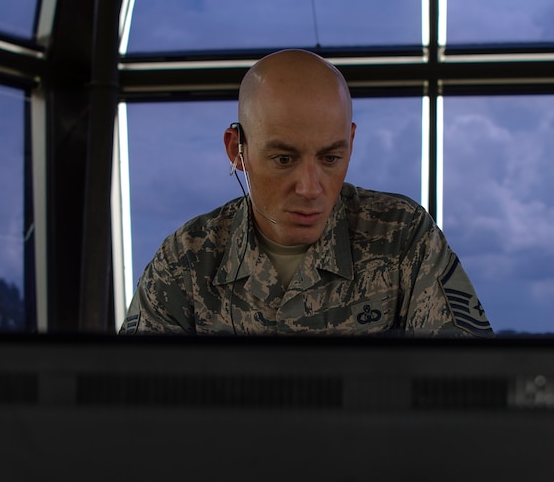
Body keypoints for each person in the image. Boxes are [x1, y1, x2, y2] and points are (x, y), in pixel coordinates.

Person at [120, 49, 492, 337]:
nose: (311, 188)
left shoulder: (401, 238)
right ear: (238, 150)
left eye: (331, 157)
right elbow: (127, 411)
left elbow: (469, 391)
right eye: (284, 159)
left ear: (351, 142)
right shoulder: (186, 261)